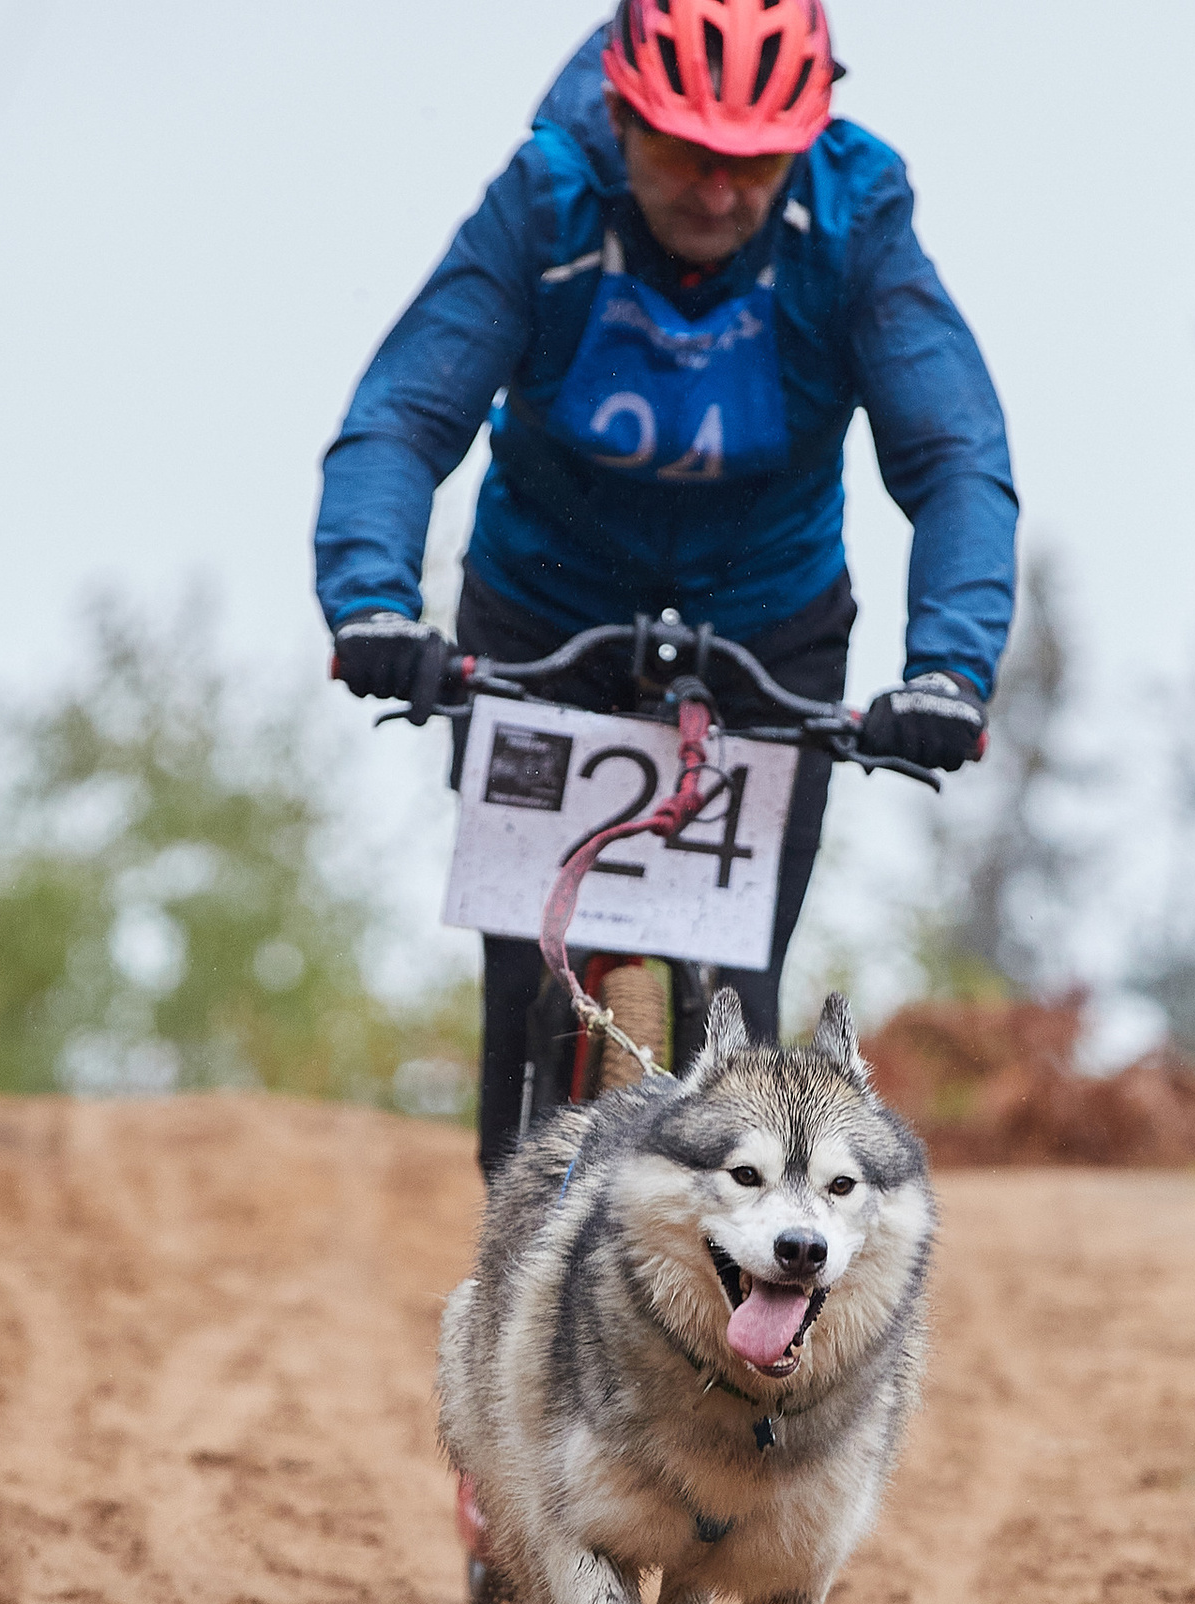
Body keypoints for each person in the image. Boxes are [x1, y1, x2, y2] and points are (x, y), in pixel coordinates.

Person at [314, 0, 1019, 1178]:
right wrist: (374, 605)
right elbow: (401, 417)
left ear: (804, 137)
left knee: (737, 1009)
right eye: (685, 152)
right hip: (544, 610)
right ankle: (516, 1283)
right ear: (624, 116)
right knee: (524, 973)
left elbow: (956, 457)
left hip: (769, 628)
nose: (716, 192)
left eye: (751, 161)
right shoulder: (545, 197)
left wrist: (949, 666)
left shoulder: (853, 216)